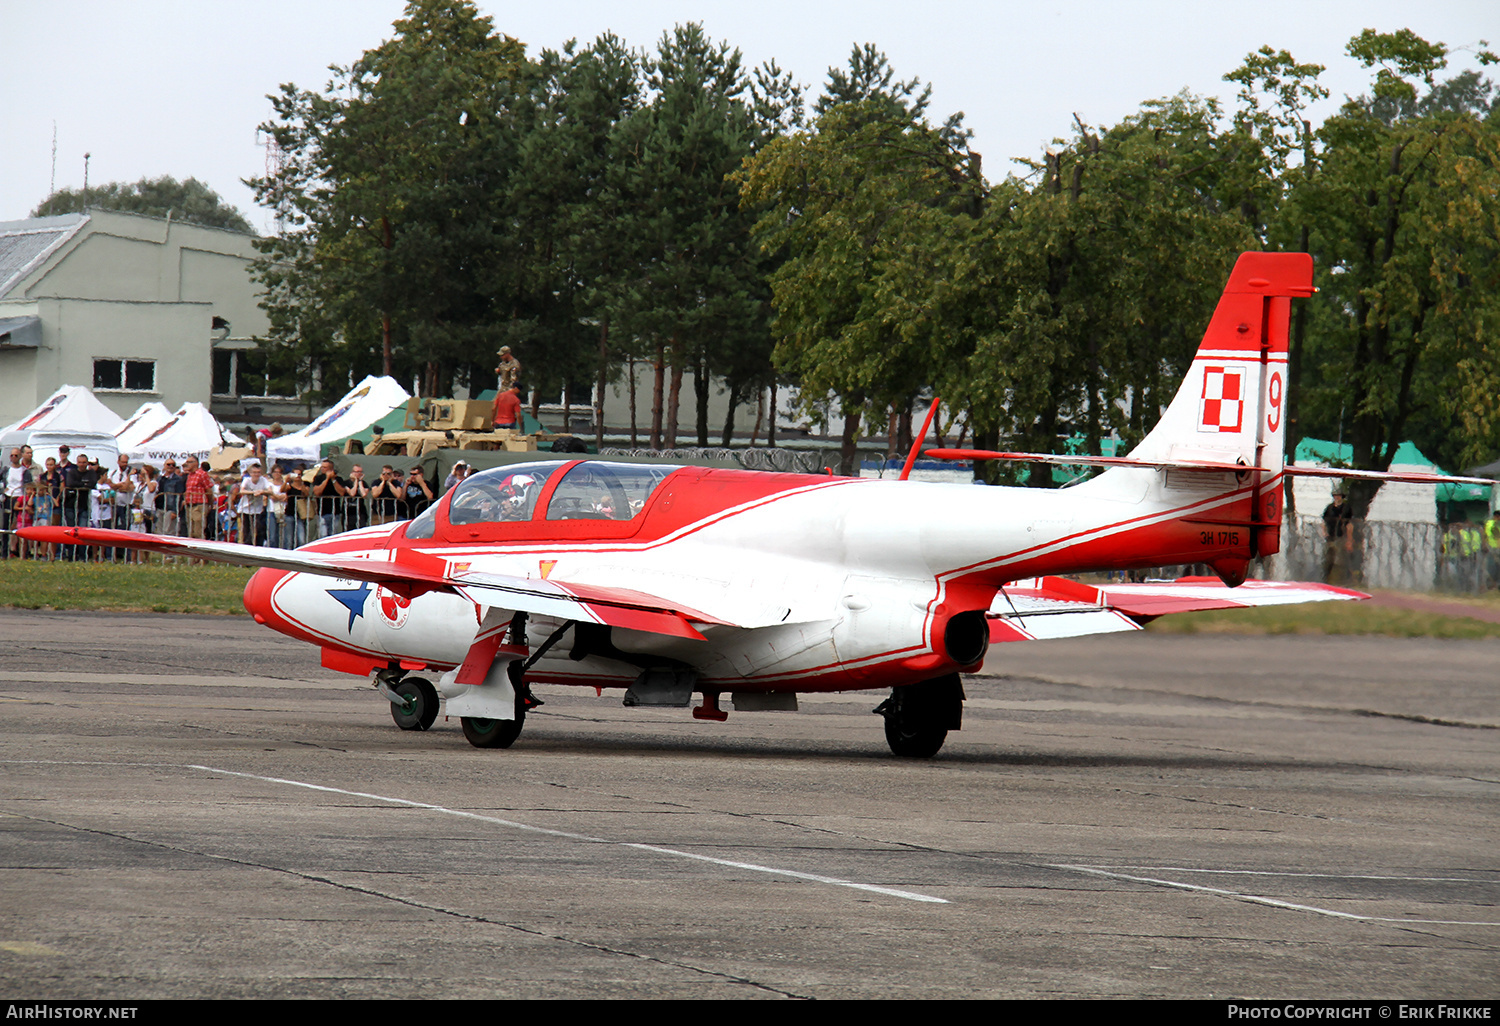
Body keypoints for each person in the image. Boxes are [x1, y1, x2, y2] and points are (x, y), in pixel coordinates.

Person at [60, 454, 98, 561]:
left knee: (82, 531)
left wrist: (81, 485)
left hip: (84, 506)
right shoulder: (72, 472)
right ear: (77, 463)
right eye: (80, 462)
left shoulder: (91, 473)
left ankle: (82, 555)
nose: (82, 464)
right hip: (71, 505)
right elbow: (71, 483)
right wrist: (83, 484)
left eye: (84, 462)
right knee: (71, 531)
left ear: (87, 463)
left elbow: (92, 483)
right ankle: (71, 555)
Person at [233, 460, 275, 546]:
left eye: (258, 472)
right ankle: (246, 546)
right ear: (250, 473)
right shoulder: (247, 480)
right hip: (245, 509)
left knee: (257, 528)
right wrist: (254, 492)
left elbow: (270, 491)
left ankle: (256, 546)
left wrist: (262, 491)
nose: (256, 474)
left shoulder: (263, 480)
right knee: (246, 530)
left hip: (257, 509)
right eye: (254, 472)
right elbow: (242, 490)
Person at [1321, 491, 1354, 584]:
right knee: (1329, 559)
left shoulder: (1346, 508)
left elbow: (1349, 525)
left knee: (1342, 559)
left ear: (1342, 497)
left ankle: (1345, 581)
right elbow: (1323, 522)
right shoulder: (1329, 508)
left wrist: (1349, 540)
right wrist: (1325, 532)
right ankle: (1326, 580)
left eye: (1339, 495)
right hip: (1330, 537)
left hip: (1341, 536)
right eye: (1335, 495)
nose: (1337, 497)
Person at [311, 458, 347, 538]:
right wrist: (327, 479)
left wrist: (333, 479)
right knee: (323, 535)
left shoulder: (338, 479)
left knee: (333, 535)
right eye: (322, 467)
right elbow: (317, 492)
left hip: (335, 511)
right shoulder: (318, 478)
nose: (322, 469)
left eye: (325, 467)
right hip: (322, 511)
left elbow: (341, 492)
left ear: (330, 469)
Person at [181, 456, 214, 540]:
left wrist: (210, 504)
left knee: (198, 531)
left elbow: (208, 490)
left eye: (189, 462)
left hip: (199, 505)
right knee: (191, 531)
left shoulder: (202, 474)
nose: (186, 464)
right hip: (190, 505)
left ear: (196, 463)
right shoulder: (190, 475)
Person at [157, 459, 185, 536]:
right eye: (168, 464)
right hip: (160, 507)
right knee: (159, 531)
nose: (171, 466)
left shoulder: (178, 479)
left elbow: (179, 496)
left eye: (173, 465)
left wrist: (175, 511)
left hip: (170, 508)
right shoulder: (160, 478)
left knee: (168, 531)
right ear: (164, 465)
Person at [344, 464, 370, 532]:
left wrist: (360, 482)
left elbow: (364, 494)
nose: (359, 473)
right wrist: (355, 481)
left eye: (360, 472)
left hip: (361, 512)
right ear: (352, 472)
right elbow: (352, 493)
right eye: (357, 471)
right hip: (348, 512)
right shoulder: (346, 483)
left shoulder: (364, 483)